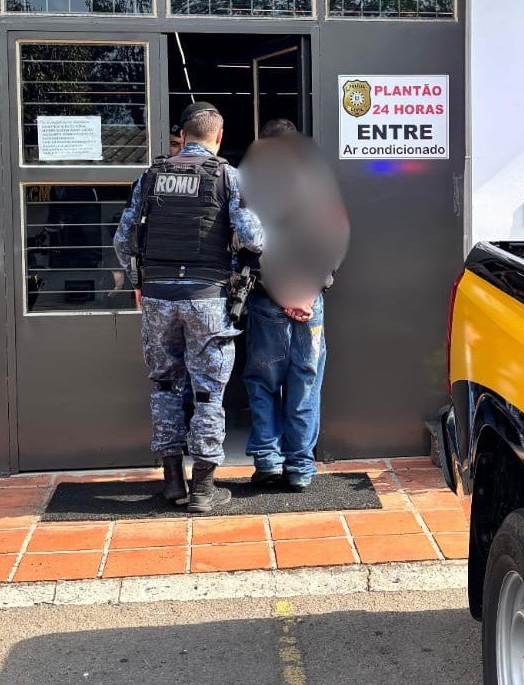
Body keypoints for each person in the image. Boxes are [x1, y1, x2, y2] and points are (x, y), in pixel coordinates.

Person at [113, 102, 263, 513]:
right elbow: (254, 238)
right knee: (207, 392)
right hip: (206, 298)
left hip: (158, 297)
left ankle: (172, 482)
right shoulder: (228, 177)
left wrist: (139, 280)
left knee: (165, 386)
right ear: (219, 137)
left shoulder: (150, 176)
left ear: (182, 135)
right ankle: (203, 489)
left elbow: (123, 240)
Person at [239, 119, 348, 491]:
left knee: (263, 383)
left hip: (268, 300)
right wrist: (310, 291)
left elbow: (248, 245)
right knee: (305, 382)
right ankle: (300, 468)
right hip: (309, 303)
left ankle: (268, 462)